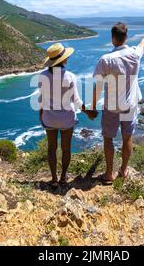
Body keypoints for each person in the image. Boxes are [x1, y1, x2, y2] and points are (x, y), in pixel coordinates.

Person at [91, 23, 144, 185]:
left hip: (112, 106)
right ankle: (124, 170)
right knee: (127, 138)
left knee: (108, 139)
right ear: (126, 37)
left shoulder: (105, 60)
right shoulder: (135, 54)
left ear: (112, 38)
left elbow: (97, 85)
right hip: (130, 105)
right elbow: (142, 44)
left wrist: (92, 107)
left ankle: (109, 173)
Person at [38, 43, 96, 188]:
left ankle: (53, 179)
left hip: (49, 117)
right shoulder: (70, 76)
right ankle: (63, 177)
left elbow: (42, 99)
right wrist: (87, 112)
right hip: (66, 118)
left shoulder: (42, 76)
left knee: (51, 148)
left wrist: (41, 115)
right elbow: (76, 100)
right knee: (66, 148)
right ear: (63, 59)